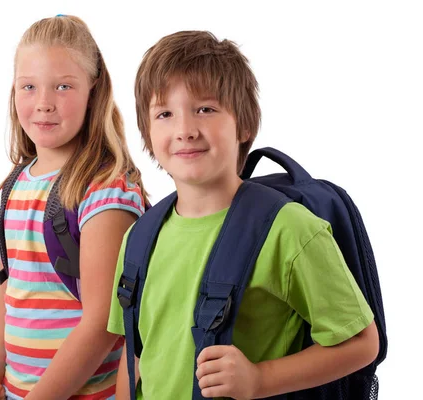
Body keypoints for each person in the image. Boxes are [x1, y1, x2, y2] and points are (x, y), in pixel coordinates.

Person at [107, 30, 379, 399]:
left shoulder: (289, 229)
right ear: (147, 131)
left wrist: (260, 379)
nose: (185, 130)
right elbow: (136, 357)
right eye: (165, 113)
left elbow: (362, 343)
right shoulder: (138, 238)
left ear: (245, 125)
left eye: (205, 109)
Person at [0, 15, 148, 400]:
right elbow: (9, 287)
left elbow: (103, 323)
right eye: (29, 87)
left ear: (93, 90)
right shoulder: (19, 181)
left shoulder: (105, 190)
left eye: (63, 86)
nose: (44, 104)